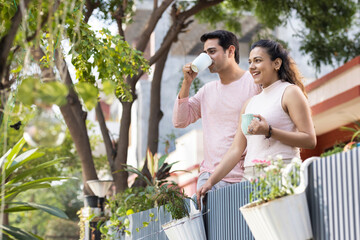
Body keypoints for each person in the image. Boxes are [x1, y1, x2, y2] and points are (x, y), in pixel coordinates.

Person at [197, 39, 317, 204]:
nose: (252, 67)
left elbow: (310, 140)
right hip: (250, 181)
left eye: (258, 61)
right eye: (250, 62)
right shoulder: (250, 103)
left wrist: (269, 131)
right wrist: (210, 182)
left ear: (276, 64)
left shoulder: (290, 92)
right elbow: (236, 150)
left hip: (281, 174)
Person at [172, 30, 261, 191]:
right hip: (208, 178)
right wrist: (187, 83)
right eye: (205, 53)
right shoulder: (207, 91)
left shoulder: (254, 83)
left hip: (244, 176)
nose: (207, 58)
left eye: (212, 52)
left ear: (231, 51)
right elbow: (180, 121)